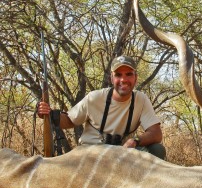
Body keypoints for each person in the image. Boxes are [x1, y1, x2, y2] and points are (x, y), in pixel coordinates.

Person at [38, 55, 166, 160]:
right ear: (111, 78)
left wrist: (135, 141)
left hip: (120, 155)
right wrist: (50, 114)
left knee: (157, 150)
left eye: (128, 74)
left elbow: (156, 133)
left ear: (135, 78)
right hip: (91, 154)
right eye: (118, 75)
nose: (123, 79)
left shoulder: (141, 100)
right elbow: (70, 120)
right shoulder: (95, 97)